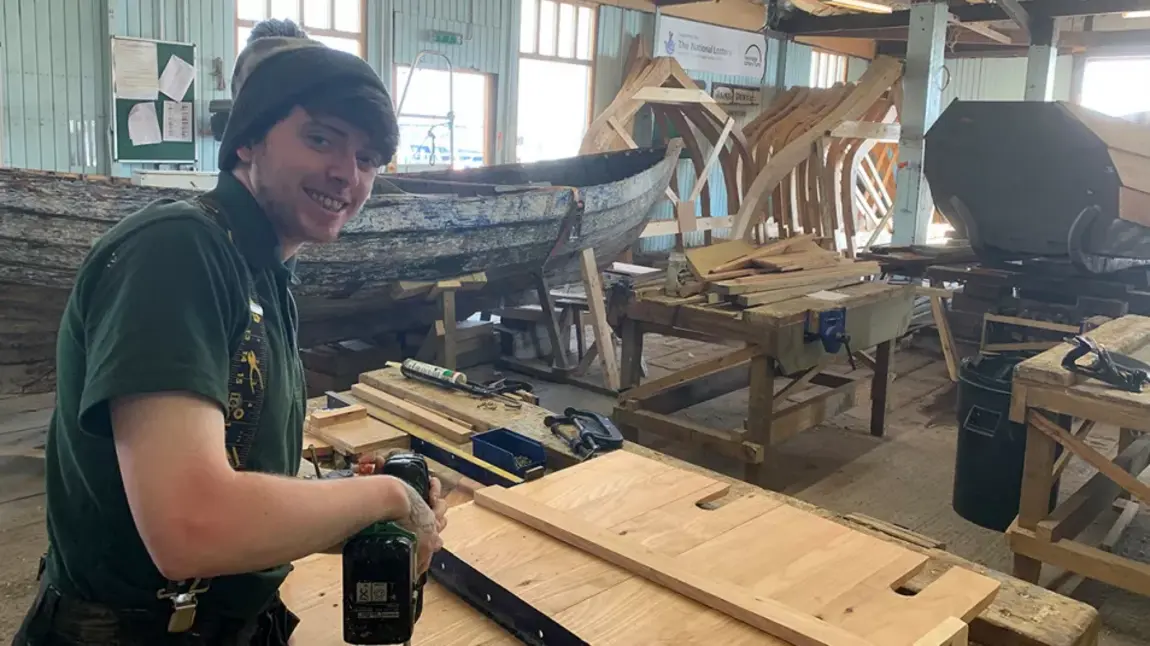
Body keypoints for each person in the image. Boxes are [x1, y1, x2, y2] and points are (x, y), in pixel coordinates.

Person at [13, 19, 447, 645]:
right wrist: (384, 499)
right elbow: (191, 526)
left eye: (366, 159)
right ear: (246, 142)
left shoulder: (264, 272)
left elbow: (240, 481)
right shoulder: (177, 250)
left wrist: (354, 509)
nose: (345, 174)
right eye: (320, 138)